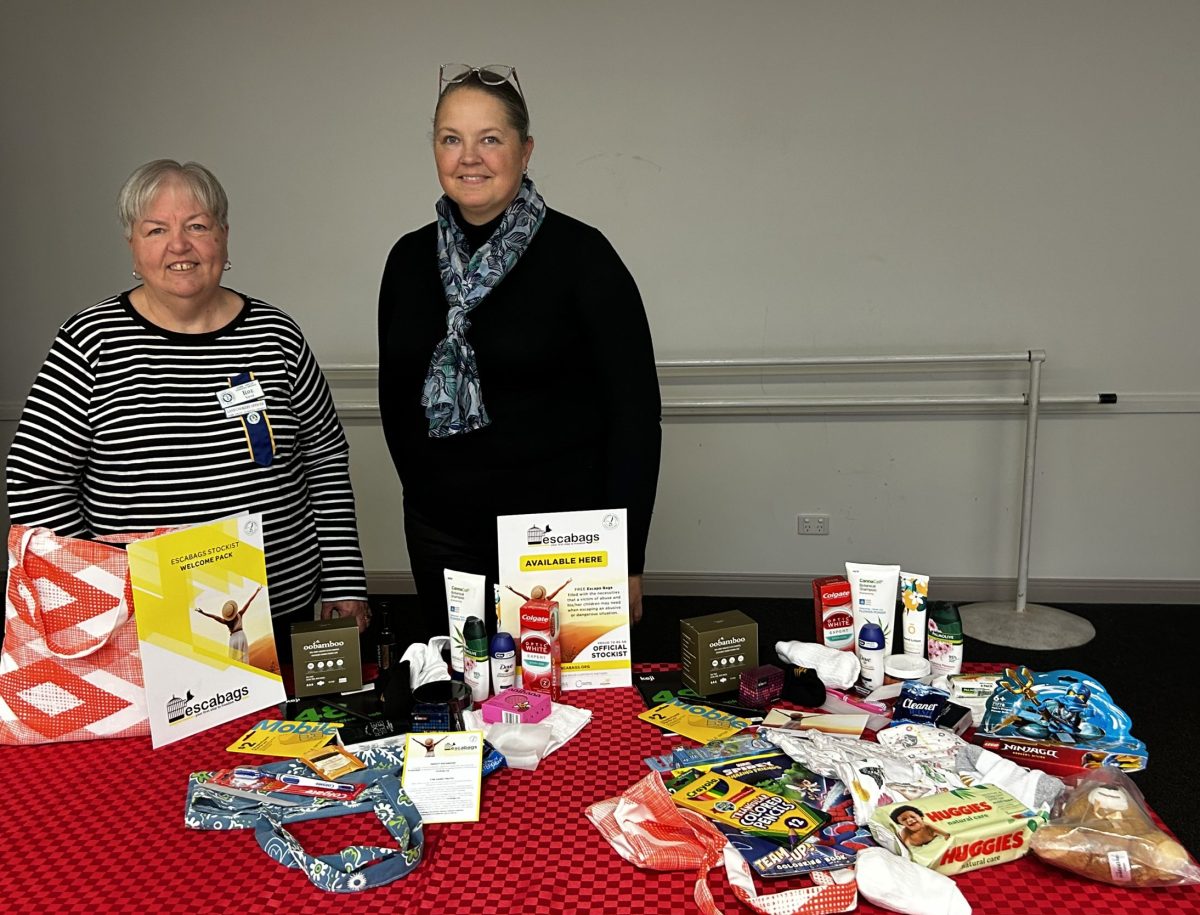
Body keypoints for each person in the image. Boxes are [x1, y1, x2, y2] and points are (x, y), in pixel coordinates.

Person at [6, 159, 371, 653]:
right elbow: (34, 479)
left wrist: (344, 581)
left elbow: (325, 458)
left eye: (197, 226)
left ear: (223, 236)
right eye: (156, 229)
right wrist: (94, 588)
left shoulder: (275, 335)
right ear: (133, 246)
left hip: (279, 610)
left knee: (288, 732)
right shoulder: (90, 342)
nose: (179, 245)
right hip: (140, 626)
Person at [378, 64, 661, 643]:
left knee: (573, 709)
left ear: (525, 150)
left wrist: (626, 558)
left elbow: (636, 416)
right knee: (463, 697)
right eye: (451, 139)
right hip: (444, 536)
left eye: (490, 139)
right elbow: (396, 399)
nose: (469, 157)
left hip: (565, 541)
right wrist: (429, 498)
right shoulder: (408, 261)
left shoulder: (583, 257)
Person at [194, 586, 263, 663]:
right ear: (234, 609)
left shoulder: (226, 622)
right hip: (241, 636)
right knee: (243, 657)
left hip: (233, 639)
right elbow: (249, 602)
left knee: (233, 658)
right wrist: (257, 591)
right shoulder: (240, 614)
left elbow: (214, 617)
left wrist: (203, 612)